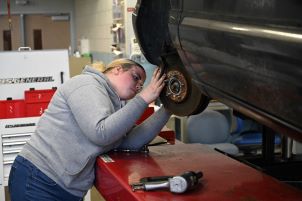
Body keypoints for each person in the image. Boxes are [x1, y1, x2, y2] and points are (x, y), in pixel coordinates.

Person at [8, 58, 171, 201]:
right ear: (117, 69)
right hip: (39, 180)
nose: (138, 86)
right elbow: (100, 133)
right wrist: (144, 97)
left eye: (141, 85)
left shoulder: (114, 106)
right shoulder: (86, 84)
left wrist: (169, 108)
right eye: (135, 78)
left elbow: (130, 142)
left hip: (65, 188)